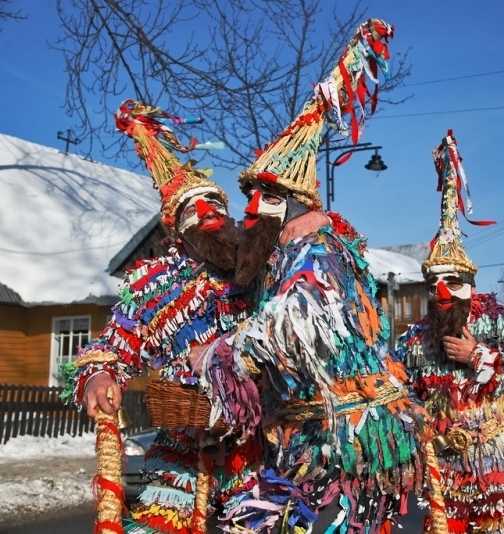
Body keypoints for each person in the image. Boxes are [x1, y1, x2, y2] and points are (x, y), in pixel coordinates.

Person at [61, 100, 329, 534]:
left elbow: (317, 291)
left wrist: (316, 220)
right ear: (175, 229)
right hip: (180, 458)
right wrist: (97, 376)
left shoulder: (263, 261)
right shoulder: (152, 283)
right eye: (195, 209)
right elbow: (111, 347)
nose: (210, 214)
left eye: (217, 206)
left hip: (260, 452)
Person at [201, 19, 423, 534]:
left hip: (346, 436)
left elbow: (297, 320)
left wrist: (220, 354)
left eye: (258, 208)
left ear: (284, 205)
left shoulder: (316, 251)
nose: (247, 218)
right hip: (320, 431)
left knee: (251, 523)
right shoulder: (297, 253)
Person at [394, 130, 504, 534]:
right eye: (433, 284)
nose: (442, 292)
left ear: (470, 281)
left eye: (451, 281)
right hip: (443, 465)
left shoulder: (501, 318)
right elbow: (401, 390)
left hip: (498, 461)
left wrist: (481, 357)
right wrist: (412, 412)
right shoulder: (415, 337)